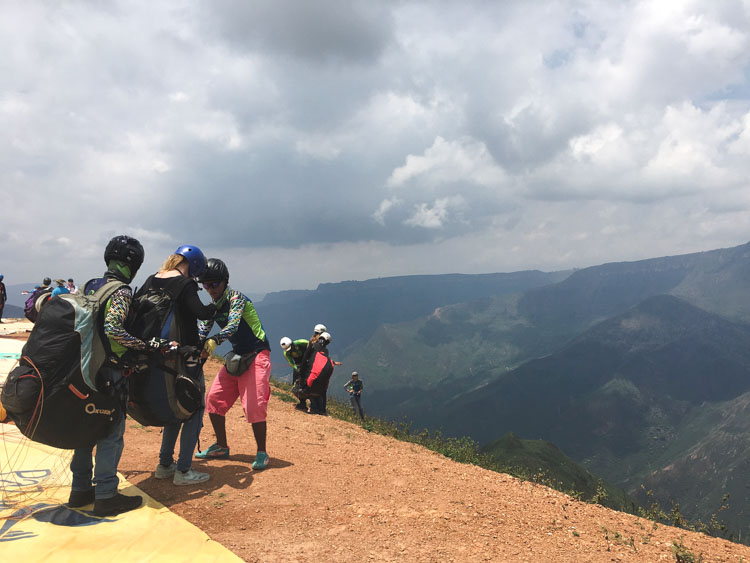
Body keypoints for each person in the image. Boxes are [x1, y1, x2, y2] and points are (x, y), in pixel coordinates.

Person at [68, 235, 148, 517]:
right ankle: (106, 494)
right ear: (133, 263)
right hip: (109, 373)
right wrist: (143, 345)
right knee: (110, 433)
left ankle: (79, 490)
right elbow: (114, 329)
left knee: (85, 430)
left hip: (83, 369)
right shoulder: (122, 291)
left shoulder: (90, 285)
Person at [141, 246, 217, 486]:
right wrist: (217, 303)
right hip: (185, 356)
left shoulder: (151, 280)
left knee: (174, 405)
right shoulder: (185, 285)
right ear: (194, 266)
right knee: (193, 407)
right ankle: (183, 470)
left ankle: (165, 464)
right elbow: (202, 313)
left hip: (158, 353)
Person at [195, 259, 272, 470]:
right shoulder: (213, 307)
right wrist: (197, 344)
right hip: (238, 354)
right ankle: (221, 446)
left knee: (254, 405)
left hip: (257, 353)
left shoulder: (236, 299)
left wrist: (214, 341)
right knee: (214, 399)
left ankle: (262, 452)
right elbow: (202, 330)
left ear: (224, 282)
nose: (210, 289)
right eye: (205, 285)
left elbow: (232, 326)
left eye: (214, 284)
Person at [306, 332, 334, 415]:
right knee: (321, 392)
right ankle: (321, 409)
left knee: (310, 387)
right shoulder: (325, 350)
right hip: (322, 374)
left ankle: (314, 408)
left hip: (312, 372)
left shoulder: (312, 345)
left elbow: (306, 358)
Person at [280, 336, 309, 411]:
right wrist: (297, 369)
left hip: (308, 362)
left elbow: (311, 347)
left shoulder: (302, 342)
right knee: (296, 383)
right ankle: (302, 402)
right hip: (298, 365)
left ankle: (314, 402)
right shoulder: (286, 353)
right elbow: (291, 362)